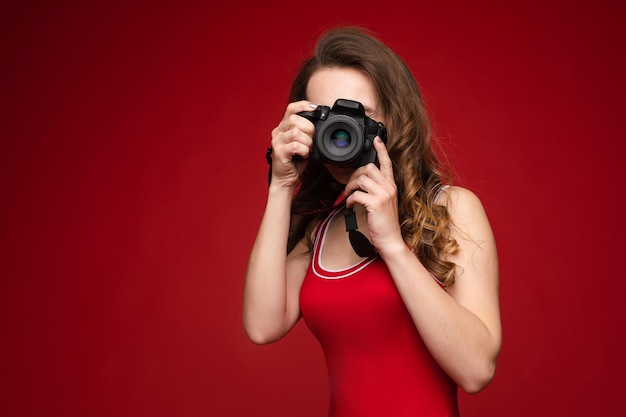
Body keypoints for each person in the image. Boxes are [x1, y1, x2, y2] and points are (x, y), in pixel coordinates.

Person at [243, 26, 501, 417]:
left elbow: (477, 370)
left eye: (358, 116)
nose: (339, 132)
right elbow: (262, 326)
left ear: (395, 120)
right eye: (324, 117)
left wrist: (393, 245)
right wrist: (281, 184)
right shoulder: (322, 228)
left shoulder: (452, 209)